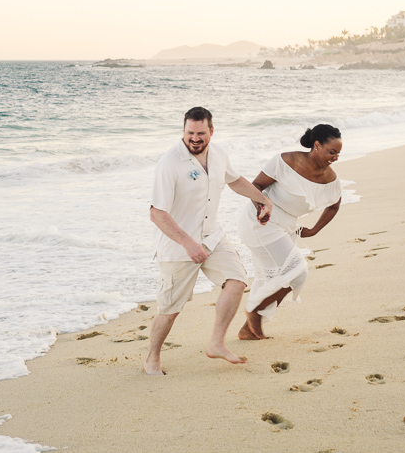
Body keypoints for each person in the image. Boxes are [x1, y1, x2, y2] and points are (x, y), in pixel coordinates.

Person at [145, 107, 273, 376]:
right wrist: (188, 243)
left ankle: (216, 343)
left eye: (201, 133)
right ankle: (152, 359)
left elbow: (235, 180)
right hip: (178, 246)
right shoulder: (170, 163)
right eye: (190, 133)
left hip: (212, 237)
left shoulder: (218, 154)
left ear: (211, 131)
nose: (195, 138)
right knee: (170, 309)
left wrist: (262, 199)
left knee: (237, 281)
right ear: (183, 131)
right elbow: (157, 213)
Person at [237, 124, 343, 340]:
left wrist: (313, 230)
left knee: (275, 277)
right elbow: (255, 186)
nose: (336, 157)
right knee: (298, 271)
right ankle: (255, 312)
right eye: (332, 152)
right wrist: (262, 207)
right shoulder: (285, 161)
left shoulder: (331, 180)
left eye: (339, 153)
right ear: (316, 145)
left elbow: (333, 206)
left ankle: (248, 329)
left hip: (286, 228)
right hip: (260, 222)